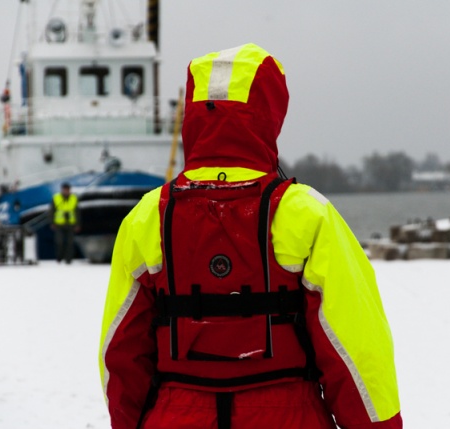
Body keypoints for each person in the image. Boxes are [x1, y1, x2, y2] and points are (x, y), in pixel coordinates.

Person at [99, 43, 402, 429]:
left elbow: (120, 349)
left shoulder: (147, 217)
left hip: (177, 417)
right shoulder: (307, 213)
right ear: (271, 112)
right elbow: (356, 348)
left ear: (191, 113)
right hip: (288, 416)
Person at [50, 182, 79, 263]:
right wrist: (52, 222)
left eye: (67, 190)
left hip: (70, 224)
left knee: (70, 243)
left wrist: (78, 224)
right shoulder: (56, 198)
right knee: (59, 242)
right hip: (59, 224)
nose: (66, 191)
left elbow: (77, 212)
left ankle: (69, 259)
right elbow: (51, 211)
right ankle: (59, 258)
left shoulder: (74, 198)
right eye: (65, 189)